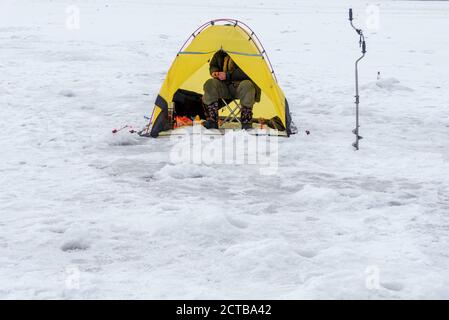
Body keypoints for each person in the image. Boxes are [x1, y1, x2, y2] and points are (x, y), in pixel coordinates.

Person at [202, 50, 260, 130]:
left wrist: (228, 75)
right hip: (224, 86)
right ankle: (213, 120)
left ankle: (246, 121)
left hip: (240, 86)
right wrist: (214, 72)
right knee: (210, 84)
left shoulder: (246, 51)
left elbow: (248, 71)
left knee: (248, 85)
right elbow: (213, 65)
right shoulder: (220, 53)